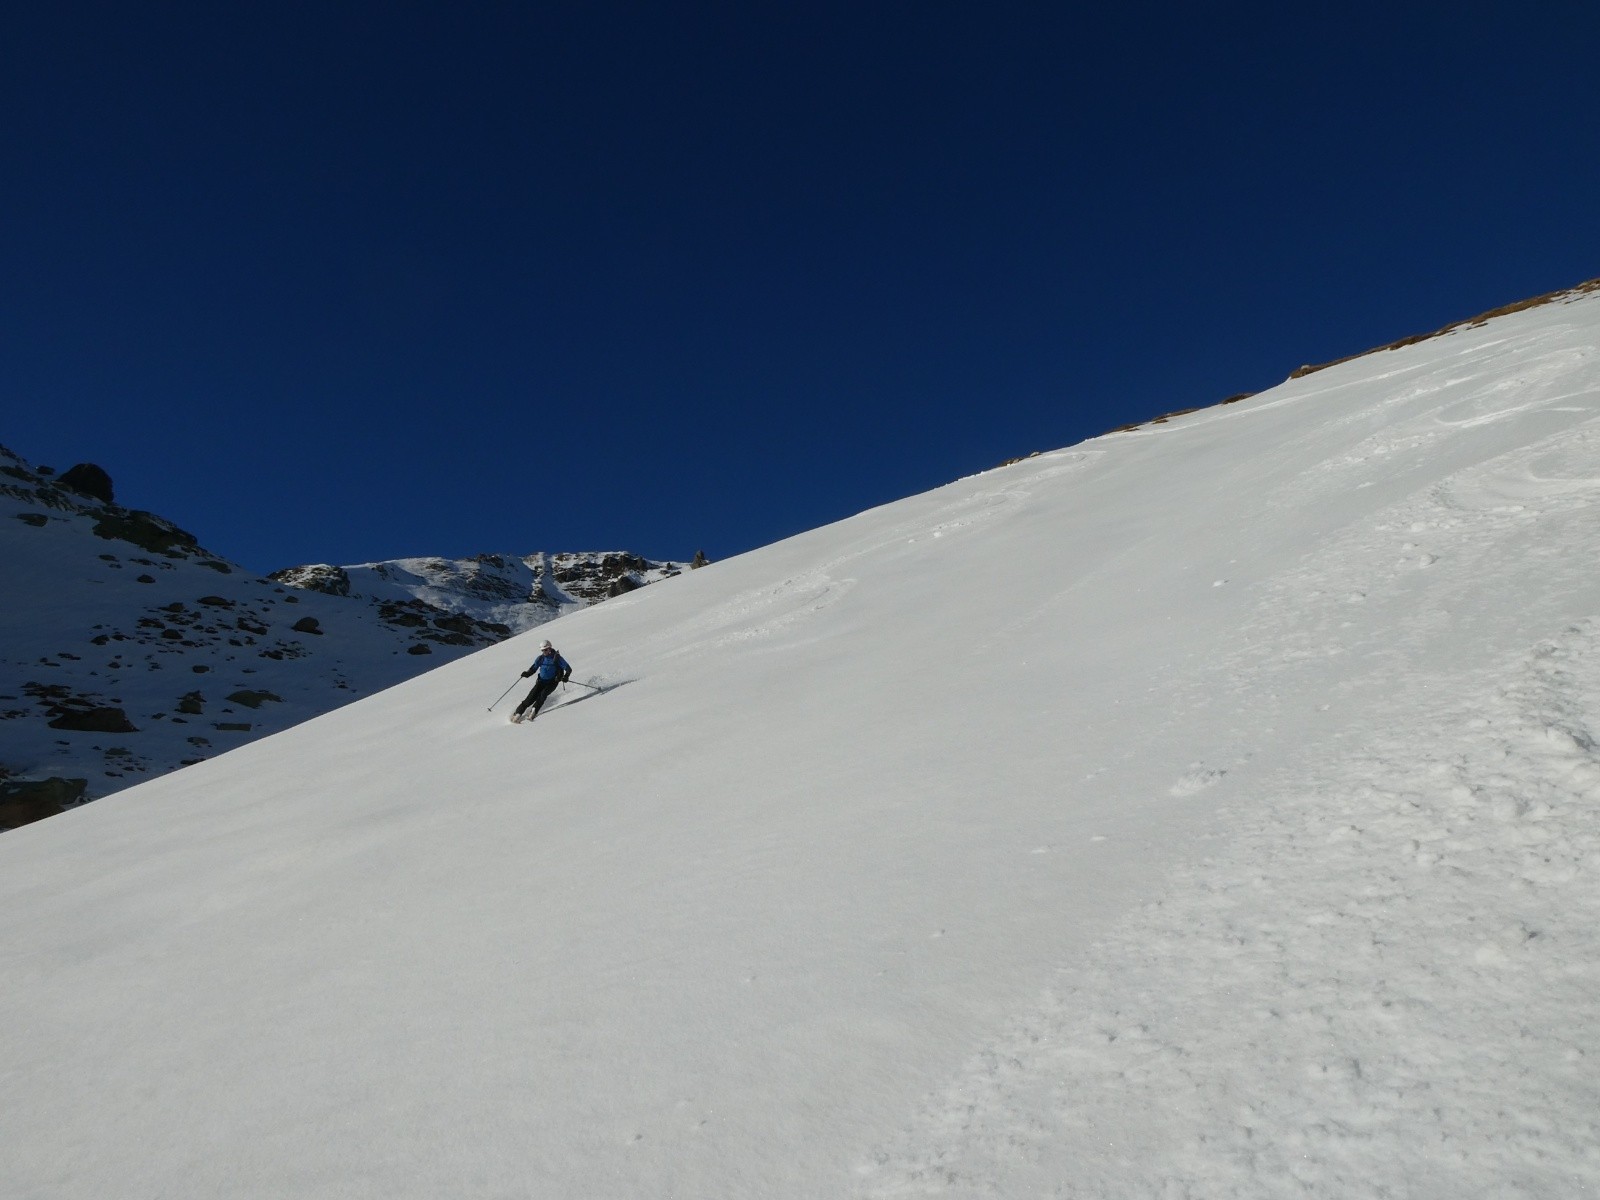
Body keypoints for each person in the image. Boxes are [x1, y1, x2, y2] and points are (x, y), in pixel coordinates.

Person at [510, 639, 572, 722]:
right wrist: (527, 673)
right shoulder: (540, 658)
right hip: (541, 681)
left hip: (552, 682)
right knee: (530, 698)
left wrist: (566, 676)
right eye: (543, 650)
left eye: (546, 650)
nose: (544, 652)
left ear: (550, 648)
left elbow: (568, 669)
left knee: (542, 695)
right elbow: (534, 668)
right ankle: (518, 713)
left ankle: (534, 710)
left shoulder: (557, 658)